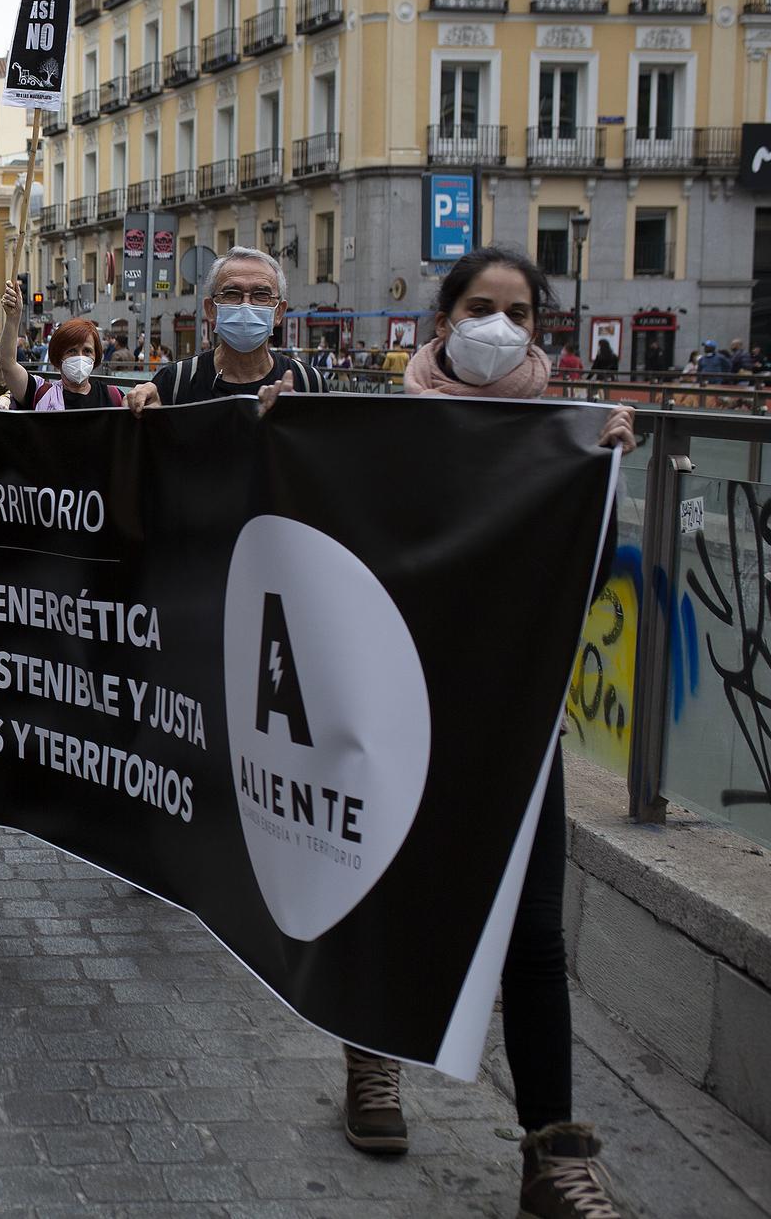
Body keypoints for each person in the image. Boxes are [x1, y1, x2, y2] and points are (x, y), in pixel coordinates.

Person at [333, 246, 634, 1219]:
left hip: (514, 719)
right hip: (400, 709)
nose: (493, 323)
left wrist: (598, 473)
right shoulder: (385, 434)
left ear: (535, 328)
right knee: (388, 888)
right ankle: (371, 1054)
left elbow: (578, 591)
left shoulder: (574, 442)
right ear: (442, 319)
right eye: (476, 305)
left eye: (513, 309)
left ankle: (550, 1155)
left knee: (534, 936)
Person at [125, 247, 326, 413]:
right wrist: (143, 415)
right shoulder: (175, 382)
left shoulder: (308, 383)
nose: (246, 305)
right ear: (211, 310)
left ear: (279, 312)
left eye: (261, 295)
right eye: (232, 294)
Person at [0, 281, 123, 410]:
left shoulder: (113, 396)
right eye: (72, 351)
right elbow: (7, 363)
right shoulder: (39, 393)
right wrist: (13, 318)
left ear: (96, 356)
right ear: (58, 356)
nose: (80, 357)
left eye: (87, 351)